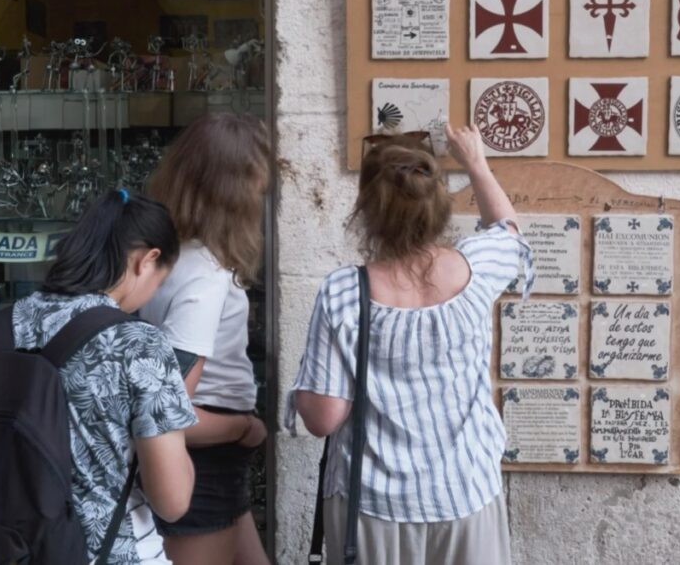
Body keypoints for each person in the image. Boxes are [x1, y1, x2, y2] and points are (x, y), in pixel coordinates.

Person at [286, 125, 534, 565]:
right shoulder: (477, 267)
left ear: (366, 210)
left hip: (373, 506)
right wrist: (476, 163)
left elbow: (323, 418)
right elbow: (508, 230)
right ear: (438, 205)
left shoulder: (345, 292)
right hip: (466, 492)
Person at [0, 190, 196, 565]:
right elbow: (172, 501)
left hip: (5, 551)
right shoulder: (138, 344)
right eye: (160, 281)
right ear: (146, 260)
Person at [142, 113, 272, 565]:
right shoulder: (205, 276)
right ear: (235, 192)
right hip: (205, 458)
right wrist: (244, 429)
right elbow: (168, 415)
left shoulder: (173, 260)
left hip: (215, 460)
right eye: (258, 187)